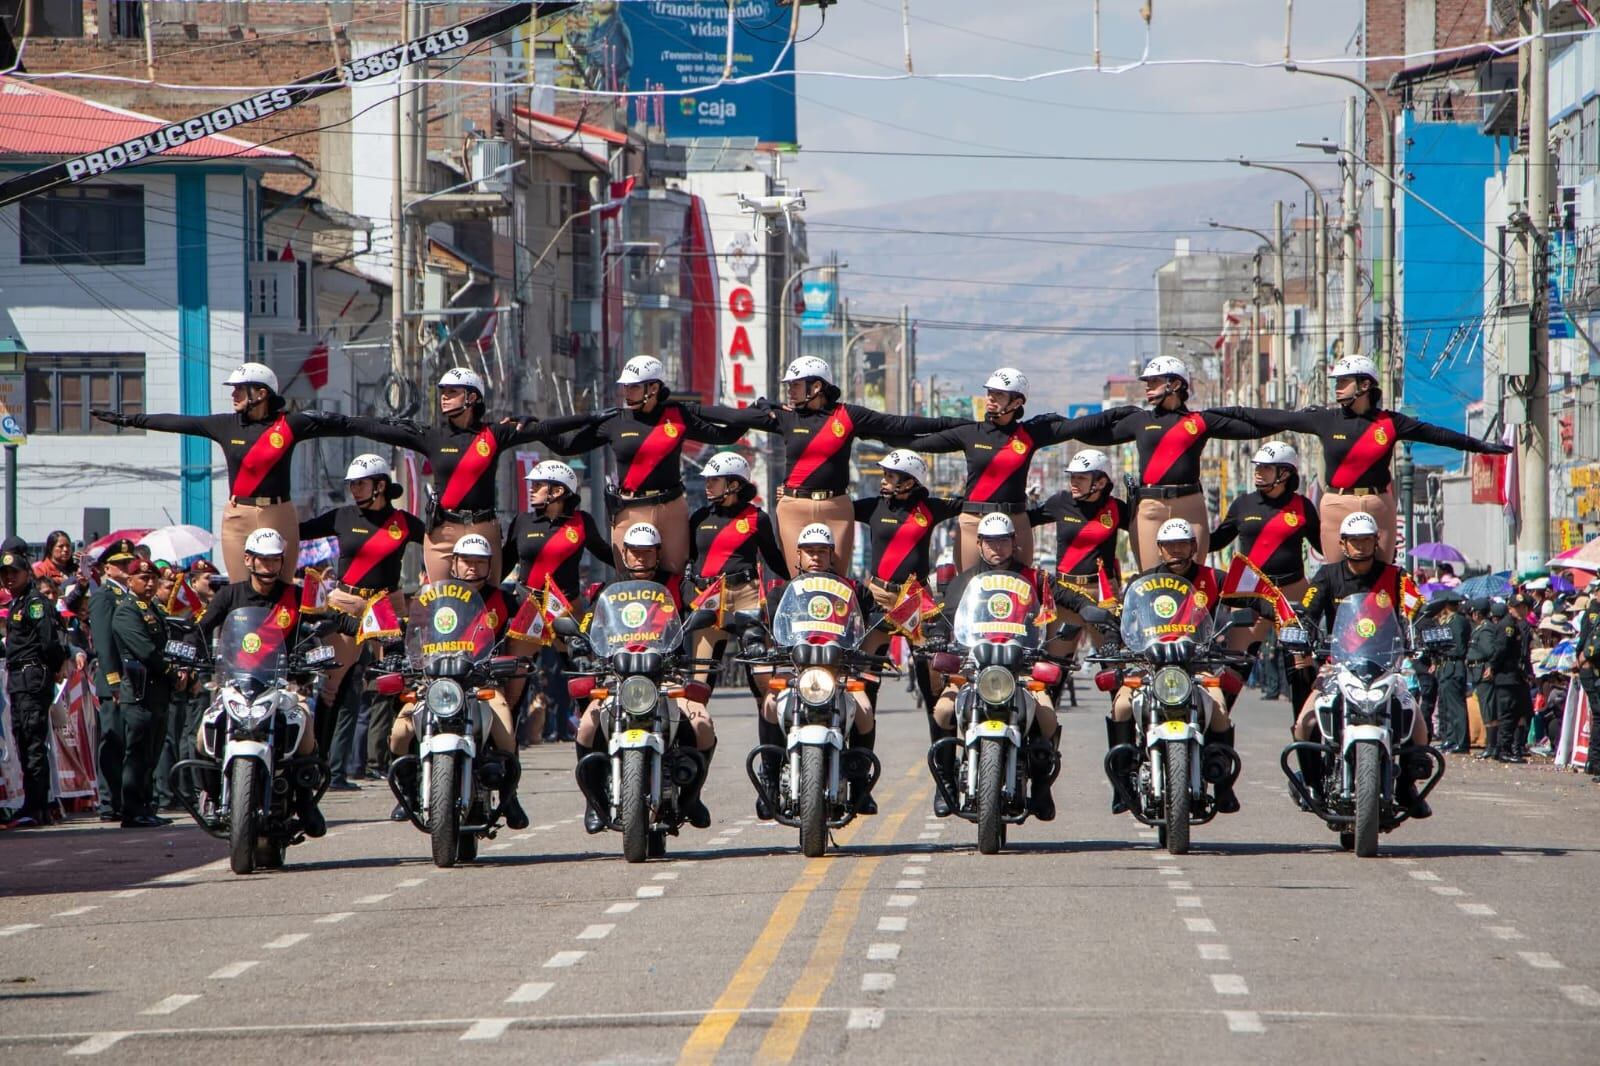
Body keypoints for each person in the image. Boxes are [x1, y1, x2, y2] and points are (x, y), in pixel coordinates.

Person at [1218, 355, 1512, 561]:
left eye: (1344, 381)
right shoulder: (1325, 419)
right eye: (1336, 381)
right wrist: (1228, 413)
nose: (1337, 387)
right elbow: (1275, 418)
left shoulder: (1390, 422)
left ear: (1365, 385)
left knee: (1381, 576)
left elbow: (1438, 435)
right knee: (1336, 577)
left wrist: (1482, 446)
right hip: (1336, 503)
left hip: (1378, 504)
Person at [91, 363, 364, 580]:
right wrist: (131, 420)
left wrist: (387, 427)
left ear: (261, 393)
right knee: (241, 589)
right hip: (238, 516)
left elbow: (347, 426)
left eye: (239, 389)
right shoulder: (226, 425)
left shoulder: (289, 424)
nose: (233, 395)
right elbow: (179, 422)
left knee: (282, 586)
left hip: (278, 513)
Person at [700, 356, 960, 573]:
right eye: (789, 385)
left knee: (836, 582)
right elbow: (733, 416)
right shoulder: (785, 417)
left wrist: (953, 424)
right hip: (794, 508)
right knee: (799, 581)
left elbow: (898, 424)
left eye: (795, 385)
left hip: (836, 508)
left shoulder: (847, 415)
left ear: (816, 387)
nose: (789, 390)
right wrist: (689, 409)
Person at [341, 367, 597, 581]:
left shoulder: (494, 434)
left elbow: (545, 429)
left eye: (452, 392)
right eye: (443, 392)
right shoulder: (431, 436)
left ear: (472, 397)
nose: (444, 397)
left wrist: (591, 416)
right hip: (443, 532)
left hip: (483, 527)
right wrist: (334, 422)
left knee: (488, 603)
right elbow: (376, 428)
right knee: (441, 602)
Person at [195, 528, 353, 837]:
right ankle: (212, 797)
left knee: (304, 728)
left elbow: (332, 616)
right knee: (203, 735)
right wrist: (188, 649)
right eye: (262, 560)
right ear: (248, 560)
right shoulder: (230, 595)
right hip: (236, 684)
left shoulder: (295, 595)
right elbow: (202, 627)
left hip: (284, 684)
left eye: (274, 560)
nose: (269, 567)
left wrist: (366, 624)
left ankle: (305, 802)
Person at [902, 368, 1136, 568]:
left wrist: (1122, 412)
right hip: (973, 521)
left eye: (999, 394)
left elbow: (1078, 426)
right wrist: (880, 430)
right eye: (989, 393)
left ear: (1016, 402)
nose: (990, 398)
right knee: (966, 589)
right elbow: (918, 442)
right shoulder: (970, 432)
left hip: (1015, 521)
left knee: (1022, 588)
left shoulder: (1030, 434)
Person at [544, 356, 745, 573]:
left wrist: (755, 413)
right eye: (625, 387)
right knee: (630, 576)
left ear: (654, 388)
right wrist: (536, 427)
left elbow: (724, 436)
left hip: (671, 509)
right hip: (629, 509)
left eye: (634, 387)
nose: (627, 393)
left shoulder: (677, 415)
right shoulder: (615, 421)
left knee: (675, 575)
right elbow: (566, 446)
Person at [574, 523, 714, 832]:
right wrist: (580, 639)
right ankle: (594, 802)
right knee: (586, 727)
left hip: (667, 674)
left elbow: (703, 608)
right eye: (634, 552)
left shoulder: (677, 585)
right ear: (624, 554)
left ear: (657, 553)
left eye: (646, 552)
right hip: (617, 677)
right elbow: (589, 624)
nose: (640, 558)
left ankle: (693, 797)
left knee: (702, 723)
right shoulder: (608, 590)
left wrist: (707, 611)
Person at [1291, 512, 1431, 816]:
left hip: (1385, 669)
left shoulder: (1396, 576)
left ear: (1376, 542)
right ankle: (1312, 784)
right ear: (1343, 543)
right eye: (1354, 540)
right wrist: (1299, 632)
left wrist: (1428, 631)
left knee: (1417, 722)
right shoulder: (1327, 576)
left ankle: (1406, 786)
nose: (1360, 546)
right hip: (1338, 668)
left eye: (1366, 540)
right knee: (1304, 723)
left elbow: (1418, 608)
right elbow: (1307, 611)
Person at [298, 454, 425, 789]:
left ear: (380, 486)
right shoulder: (341, 516)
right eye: (351, 484)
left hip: (387, 604)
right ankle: (320, 768)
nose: (353, 489)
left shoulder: (404, 522)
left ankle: (408, 771)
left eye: (360, 483)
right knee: (331, 688)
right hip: (347, 602)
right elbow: (299, 531)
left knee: (402, 683)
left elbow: (436, 542)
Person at [388, 534, 529, 829]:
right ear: (454, 563)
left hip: (481, 682)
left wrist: (524, 648)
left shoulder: (505, 600)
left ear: (490, 566)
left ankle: (510, 796)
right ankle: (409, 793)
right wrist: (397, 649)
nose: (472, 567)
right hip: (435, 683)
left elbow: (524, 632)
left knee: (505, 726)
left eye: (480, 562)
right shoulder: (432, 598)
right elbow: (413, 633)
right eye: (466, 561)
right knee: (400, 732)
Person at [929, 512, 1063, 820]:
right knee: (943, 711)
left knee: (1047, 716)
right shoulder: (964, 581)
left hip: (1020, 669)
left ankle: (1042, 786)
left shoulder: (1035, 578)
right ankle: (944, 781)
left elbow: (1067, 597)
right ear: (978, 544)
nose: (996, 548)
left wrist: (1099, 611)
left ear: (1014, 542)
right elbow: (945, 616)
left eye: (1003, 541)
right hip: (973, 668)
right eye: (990, 542)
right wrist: (937, 636)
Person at [1075, 357, 1270, 567]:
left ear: (1175, 384)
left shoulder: (1199, 421)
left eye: (1154, 381)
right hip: (1150, 506)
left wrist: (1295, 421)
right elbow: (1087, 433)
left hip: (1191, 505)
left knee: (1194, 578)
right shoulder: (1140, 420)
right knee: (1151, 580)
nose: (1147, 386)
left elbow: (1253, 428)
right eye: (1147, 382)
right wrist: (1114, 412)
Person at [1104, 517, 1241, 814]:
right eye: (1169, 545)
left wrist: (1279, 615)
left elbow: (1250, 601)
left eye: (1182, 544)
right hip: (1149, 664)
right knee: (1122, 706)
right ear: (1160, 549)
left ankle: (1223, 787)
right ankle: (1122, 784)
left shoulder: (1215, 578)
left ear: (1193, 546)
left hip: (1196, 663)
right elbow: (1121, 618)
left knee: (1219, 707)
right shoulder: (1141, 583)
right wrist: (1113, 642)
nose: (1176, 550)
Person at [750, 522, 880, 818]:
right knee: (770, 704)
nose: (816, 557)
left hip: (839, 671)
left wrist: (884, 624)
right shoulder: (782, 593)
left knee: (864, 709)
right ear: (798, 554)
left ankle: (860, 783)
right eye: (809, 551)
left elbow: (874, 617)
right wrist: (754, 638)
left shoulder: (853, 590)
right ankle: (770, 780)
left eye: (822, 551)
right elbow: (761, 622)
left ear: (832, 554)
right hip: (796, 670)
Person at [1209, 441, 1321, 712]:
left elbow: (1324, 547)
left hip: (1292, 592)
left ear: (1285, 473)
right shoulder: (1242, 504)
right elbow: (1215, 542)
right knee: (1234, 668)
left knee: (1302, 668)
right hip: (1252, 594)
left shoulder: (1303, 506)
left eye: (1266, 468)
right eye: (1257, 467)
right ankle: (1217, 730)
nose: (1258, 473)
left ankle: (1305, 732)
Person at [852, 449, 962, 717]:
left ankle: (943, 743)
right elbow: (833, 507)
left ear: (910, 481)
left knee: (932, 682)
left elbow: (970, 504)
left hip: (916, 599)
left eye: (890, 476)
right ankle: (860, 743)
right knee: (863, 682)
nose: (883, 480)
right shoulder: (873, 506)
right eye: (884, 474)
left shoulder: (931, 509)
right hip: (878, 598)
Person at [499, 460, 615, 709]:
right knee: (513, 690)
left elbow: (607, 555)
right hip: (528, 609)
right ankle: (508, 734)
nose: (531, 489)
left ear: (558, 491)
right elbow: (504, 564)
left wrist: (633, 573)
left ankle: (591, 731)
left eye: (538, 485)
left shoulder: (582, 521)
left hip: (567, 610)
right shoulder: (522, 521)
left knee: (584, 679)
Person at [684, 452, 789, 692]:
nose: (707, 485)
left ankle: (767, 714)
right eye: (707, 479)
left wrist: (799, 582)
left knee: (762, 678)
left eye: (714, 480)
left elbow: (774, 559)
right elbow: (687, 561)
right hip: (709, 599)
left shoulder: (757, 518)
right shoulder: (699, 518)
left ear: (733, 484)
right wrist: (689, 593)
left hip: (747, 595)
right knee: (700, 681)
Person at [1029, 447, 1130, 664]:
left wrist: (1139, 499)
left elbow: (1145, 529)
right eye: (1072, 477)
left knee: (1113, 666)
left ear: (1101, 482)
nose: (1074, 482)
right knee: (1053, 667)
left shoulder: (1116, 508)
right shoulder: (1060, 502)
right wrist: (1024, 502)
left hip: (1103, 595)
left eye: (1081, 478)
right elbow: (1026, 519)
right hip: (1065, 594)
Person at [1, 544, 70, 828]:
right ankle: (35, 804)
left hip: (31, 678)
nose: (8, 578)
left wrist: (55, 666)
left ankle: (37, 806)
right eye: (4, 573)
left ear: (27, 573)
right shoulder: (17, 603)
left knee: (32, 742)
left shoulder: (34, 603)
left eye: (14, 572)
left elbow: (49, 642)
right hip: (20, 678)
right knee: (25, 740)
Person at [109, 559, 177, 829]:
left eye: (153, 579)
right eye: (143, 578)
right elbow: (146, 651)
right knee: (137, 754)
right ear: (130, 581)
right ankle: (132, 810)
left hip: (157, 692)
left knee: (152, 753)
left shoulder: (154, 609)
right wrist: (172, 672)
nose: (149, 583)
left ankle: (147, 807)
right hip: (140, 691)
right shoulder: (127, 611)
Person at [88, 537, 138, 823]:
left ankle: (122, 800)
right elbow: (105, 644)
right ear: (107, 568)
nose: (127, 567)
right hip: (114, 681)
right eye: (121, 564)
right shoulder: (104, 597)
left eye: (129, 563)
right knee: (113, 740)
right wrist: (114, 682)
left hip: (131, 681)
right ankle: (108, 803)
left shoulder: (128, 596)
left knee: (126, 743)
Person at [1422, 594, 1473, 753]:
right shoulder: (1448, 621)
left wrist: (1442, 649)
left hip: (1453, 666)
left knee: (1456, 707)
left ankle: (1461, 742)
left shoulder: (1457, 621)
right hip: (1445, 666)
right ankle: (1450, 739)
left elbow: (1457, 647)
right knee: (1447, 708)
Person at [1576, 593, 1600, 779]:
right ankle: (1595, 761)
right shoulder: (1593, 613)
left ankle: (1593, 761)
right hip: (1592, 669)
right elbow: (1589, 645)